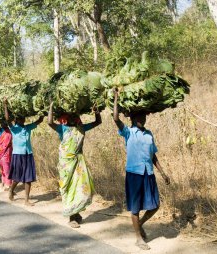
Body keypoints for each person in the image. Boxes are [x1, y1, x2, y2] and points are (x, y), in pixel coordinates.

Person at [112, 88, 171, 250]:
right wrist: (116, 97)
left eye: (144, 116)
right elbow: (116, 118)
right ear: (132, 118)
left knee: (155, 205)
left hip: (149, 174)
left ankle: (140, 224)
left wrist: (163, 172)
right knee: (136, 207)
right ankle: (138, 238)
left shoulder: (149, 134)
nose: (142, 119)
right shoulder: (128, 132)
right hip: (134, 175)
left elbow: (153, 156)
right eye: (139, 116)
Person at [48, 102, 102, 228]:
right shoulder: (62, 128)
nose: (74, 118)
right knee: (70, 188)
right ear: (65, 119)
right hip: (66, 164)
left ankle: (76, 212)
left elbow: (98, 122)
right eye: (71, 117)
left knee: (81, 188)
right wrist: (50, 107)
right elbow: (50, 123)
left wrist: (97, 111)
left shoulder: (81, 128)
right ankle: (72, 217)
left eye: (75, 116)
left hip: (78, 163)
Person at [3, 98, 44, 206]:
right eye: (20, 119)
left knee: (28, 177)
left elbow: (39, 121)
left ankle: (26, 200)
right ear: (16, 120)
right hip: (17, 155)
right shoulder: (14, 129)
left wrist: (43, 109)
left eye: (23, 118)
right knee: (17, 177)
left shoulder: (27, 128)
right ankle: (11, 190)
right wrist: (5, 105)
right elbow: (7, 119)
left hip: (28, 154)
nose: (23, 120)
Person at [0, 122, 13, 191]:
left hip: (6, 153)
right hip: (0, 153)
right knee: (2, 168)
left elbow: (5, 145)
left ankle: (8, 184)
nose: (2, 124)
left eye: (4, 123)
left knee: (7, 169)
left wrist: (0, 149)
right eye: (1, 123)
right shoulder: (1, 131)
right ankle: (3, 182)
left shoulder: (8, 133)